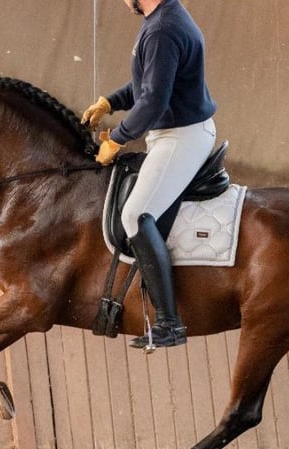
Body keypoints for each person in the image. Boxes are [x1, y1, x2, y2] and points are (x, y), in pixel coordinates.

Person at [82, 0, 217, 350]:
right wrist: (110, 102)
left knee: (135, 215)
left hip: (180, 136)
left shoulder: (161, 29)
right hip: (171, 132)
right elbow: (146, 84)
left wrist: (118, 138)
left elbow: (154, 100)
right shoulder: (161, 18)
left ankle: (170, 323)